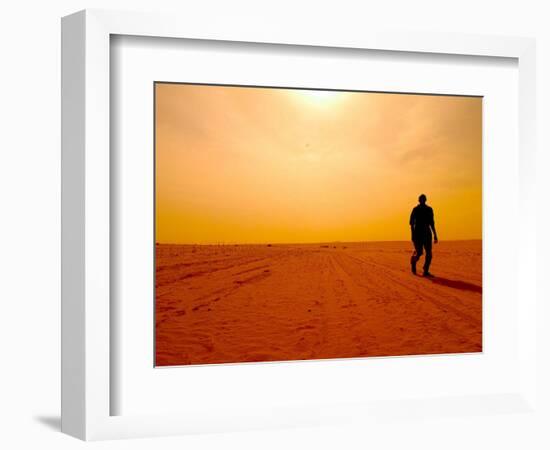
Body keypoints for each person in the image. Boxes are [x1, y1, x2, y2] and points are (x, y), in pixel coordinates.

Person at [409, 194, 438, 277]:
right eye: (421, 199)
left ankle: (426, 270)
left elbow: (432, 223)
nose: (422, 200)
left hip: (427, 234)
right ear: (419, 200)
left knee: (429, 253)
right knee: (419, 253)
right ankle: (413, 261)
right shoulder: (415, 209)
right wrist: (413, 234)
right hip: (418, 234)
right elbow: (411, 223)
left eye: (423, 199)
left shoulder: (429, 209)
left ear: (425, 200)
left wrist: (435, 235)